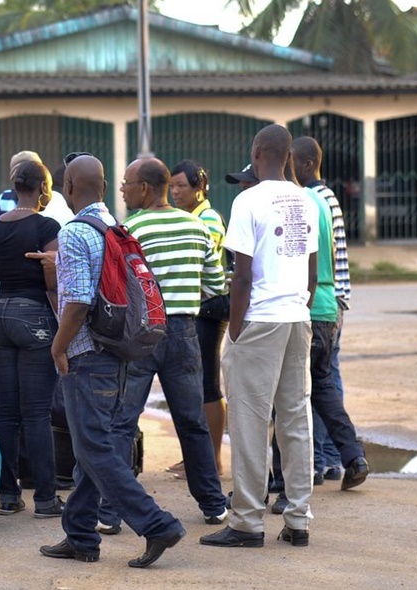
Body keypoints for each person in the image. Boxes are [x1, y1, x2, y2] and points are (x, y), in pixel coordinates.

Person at [38, 154, 185, 568]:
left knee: (94, 449)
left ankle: (158, 524)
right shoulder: (115, 227)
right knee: (93, 447)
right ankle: (81, 536)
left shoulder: (74, 233)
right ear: (103, 187)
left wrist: (58, 347)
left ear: (68, 187)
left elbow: (77, 302)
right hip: (116, 352)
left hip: (86, 356)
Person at [200, 124, 319, 549]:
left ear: (256, 152)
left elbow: (242, 275)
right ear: (288, 156)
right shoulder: (306, 200)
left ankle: (248, 521)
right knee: (296, 419)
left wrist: (235, 329)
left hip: (260, 320)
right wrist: (300, 307)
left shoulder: (248, 200)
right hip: (296, 318)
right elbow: (312, 271)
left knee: (250, 421)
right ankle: (298, 519)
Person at [103, 157, 228, 529]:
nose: (122, 190)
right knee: (192, 422)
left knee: (123, 422)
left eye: (126, 183)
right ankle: (213, 505)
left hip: (141, 334)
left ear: (144, 188)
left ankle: (109, 513)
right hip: (184, 333)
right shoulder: (196, 226)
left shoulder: (130, 229)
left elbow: (118, 284)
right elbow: (216, 284)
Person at [0, 160, 63, 518]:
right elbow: (53, 284)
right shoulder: (47, 226)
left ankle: (8, 497)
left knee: (6, 411)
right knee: (37, 413)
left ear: (15, 188)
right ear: (43, 188)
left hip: (0, 317)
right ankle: (46, 499)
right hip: (35, 317)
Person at [292, 136, 354, 483]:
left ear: (305, 164)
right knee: (326, 380)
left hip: (323, 302)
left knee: (315, 384)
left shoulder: (313, 200)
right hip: (334, 301)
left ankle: (320, 459)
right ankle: (332, 458)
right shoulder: (327, 197)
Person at [168, 159, 229, 477]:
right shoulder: (188, 217)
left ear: (200, 187)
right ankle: (195, 457)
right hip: (194, 308)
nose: (175, 192)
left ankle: (214, 459)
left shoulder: (209, 219)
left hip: (209, 309)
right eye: (172, 186)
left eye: (181, 186)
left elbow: (202, 262)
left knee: (207, 385)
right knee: (192, 385)